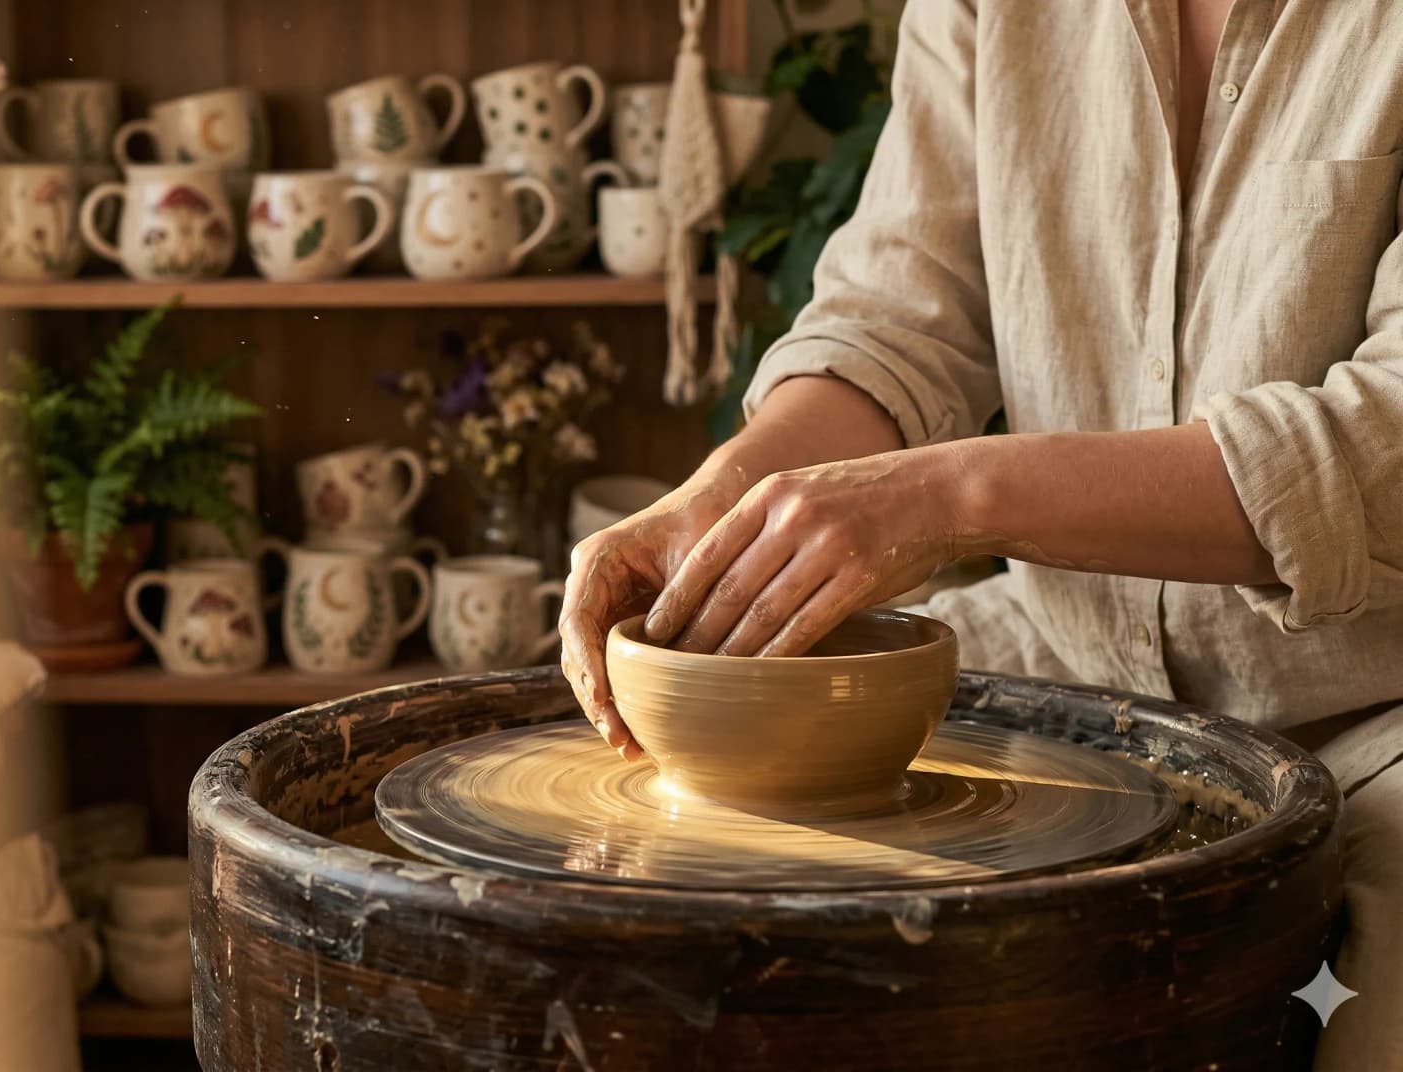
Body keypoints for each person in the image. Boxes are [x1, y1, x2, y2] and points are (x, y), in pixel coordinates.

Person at [557, 2, 1402, 1068]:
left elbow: (1387, 445)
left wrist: (944, 497)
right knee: (682, 953)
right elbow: (900, 319)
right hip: (1069, 662)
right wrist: (719, 499)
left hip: (1370, 705)